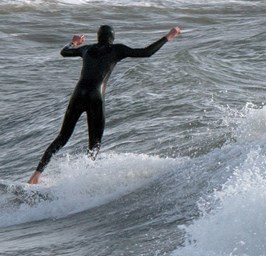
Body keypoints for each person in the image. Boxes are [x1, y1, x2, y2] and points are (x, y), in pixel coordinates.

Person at [28, 25, 181, 184]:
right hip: (96, 97)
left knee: (62, 138)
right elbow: (146, 52)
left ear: (98, 37)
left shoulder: (86, 49)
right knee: (94, 143)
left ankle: (35, 176)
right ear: (112, 38)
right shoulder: (117, 50)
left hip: (78, 95)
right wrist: (169, 36)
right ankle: (83, 181)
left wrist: (73, 43)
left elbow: (64, 52)